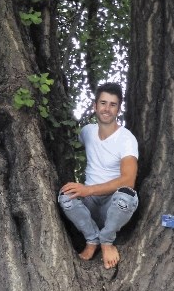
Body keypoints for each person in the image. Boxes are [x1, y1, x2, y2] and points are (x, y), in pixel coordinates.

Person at [58, 82, 139, 269]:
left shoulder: (126, 139)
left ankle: (107, 241)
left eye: (112, 104)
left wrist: (88, 189)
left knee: (126, 195)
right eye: (103, 103)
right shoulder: (87, 132)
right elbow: (70, 143)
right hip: (89, 206)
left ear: (118, 109)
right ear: (95, 106)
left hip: (113, 207)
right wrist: (86, 192)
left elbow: (128, 180)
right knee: (65, 196)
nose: (107, 109)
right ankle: (92, 239)